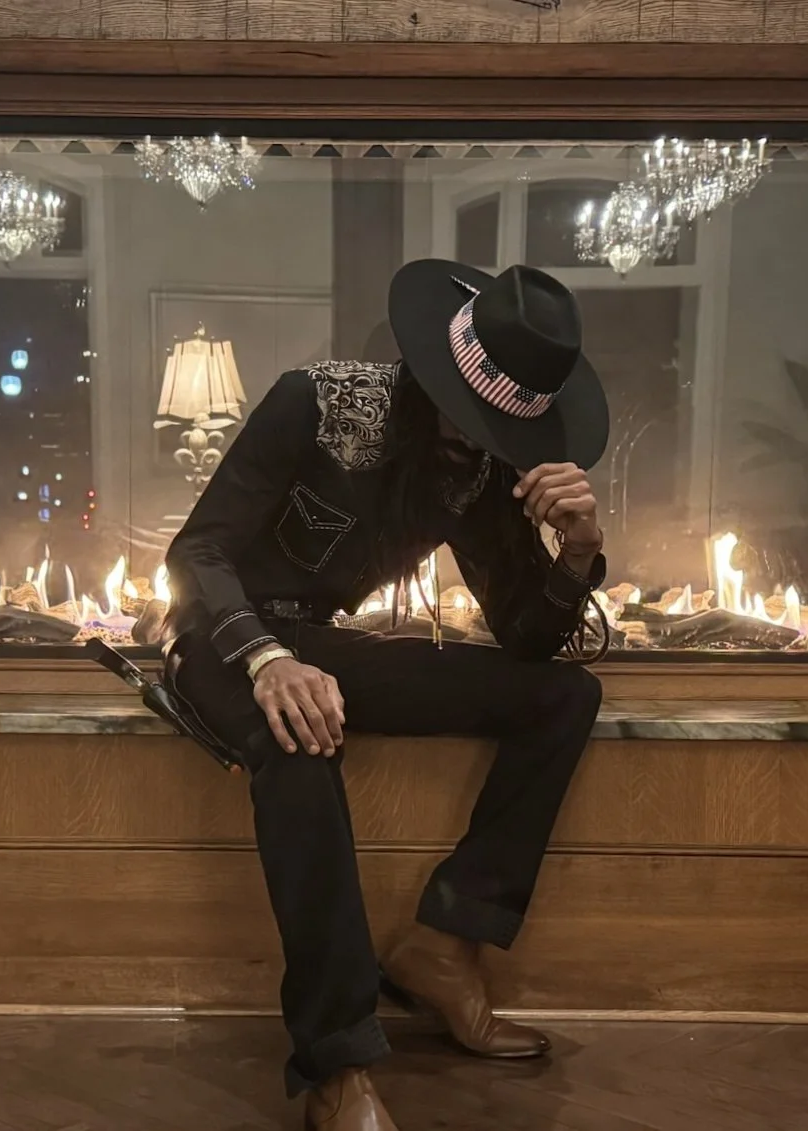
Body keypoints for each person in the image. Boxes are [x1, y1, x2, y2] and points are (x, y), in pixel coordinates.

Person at [163, 260, 610, 1131]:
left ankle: (444, 943)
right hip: (223, 641)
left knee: (562, 697)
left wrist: (577, 552)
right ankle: (336, 1062)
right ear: (439, 373)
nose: (486, 440)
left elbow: (524, 639)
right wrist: (264, 658)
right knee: (299, 739)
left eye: (504, 428)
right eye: (476, 416)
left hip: (324, 648)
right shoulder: (317, 400)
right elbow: (196, 555)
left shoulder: (480, 464)